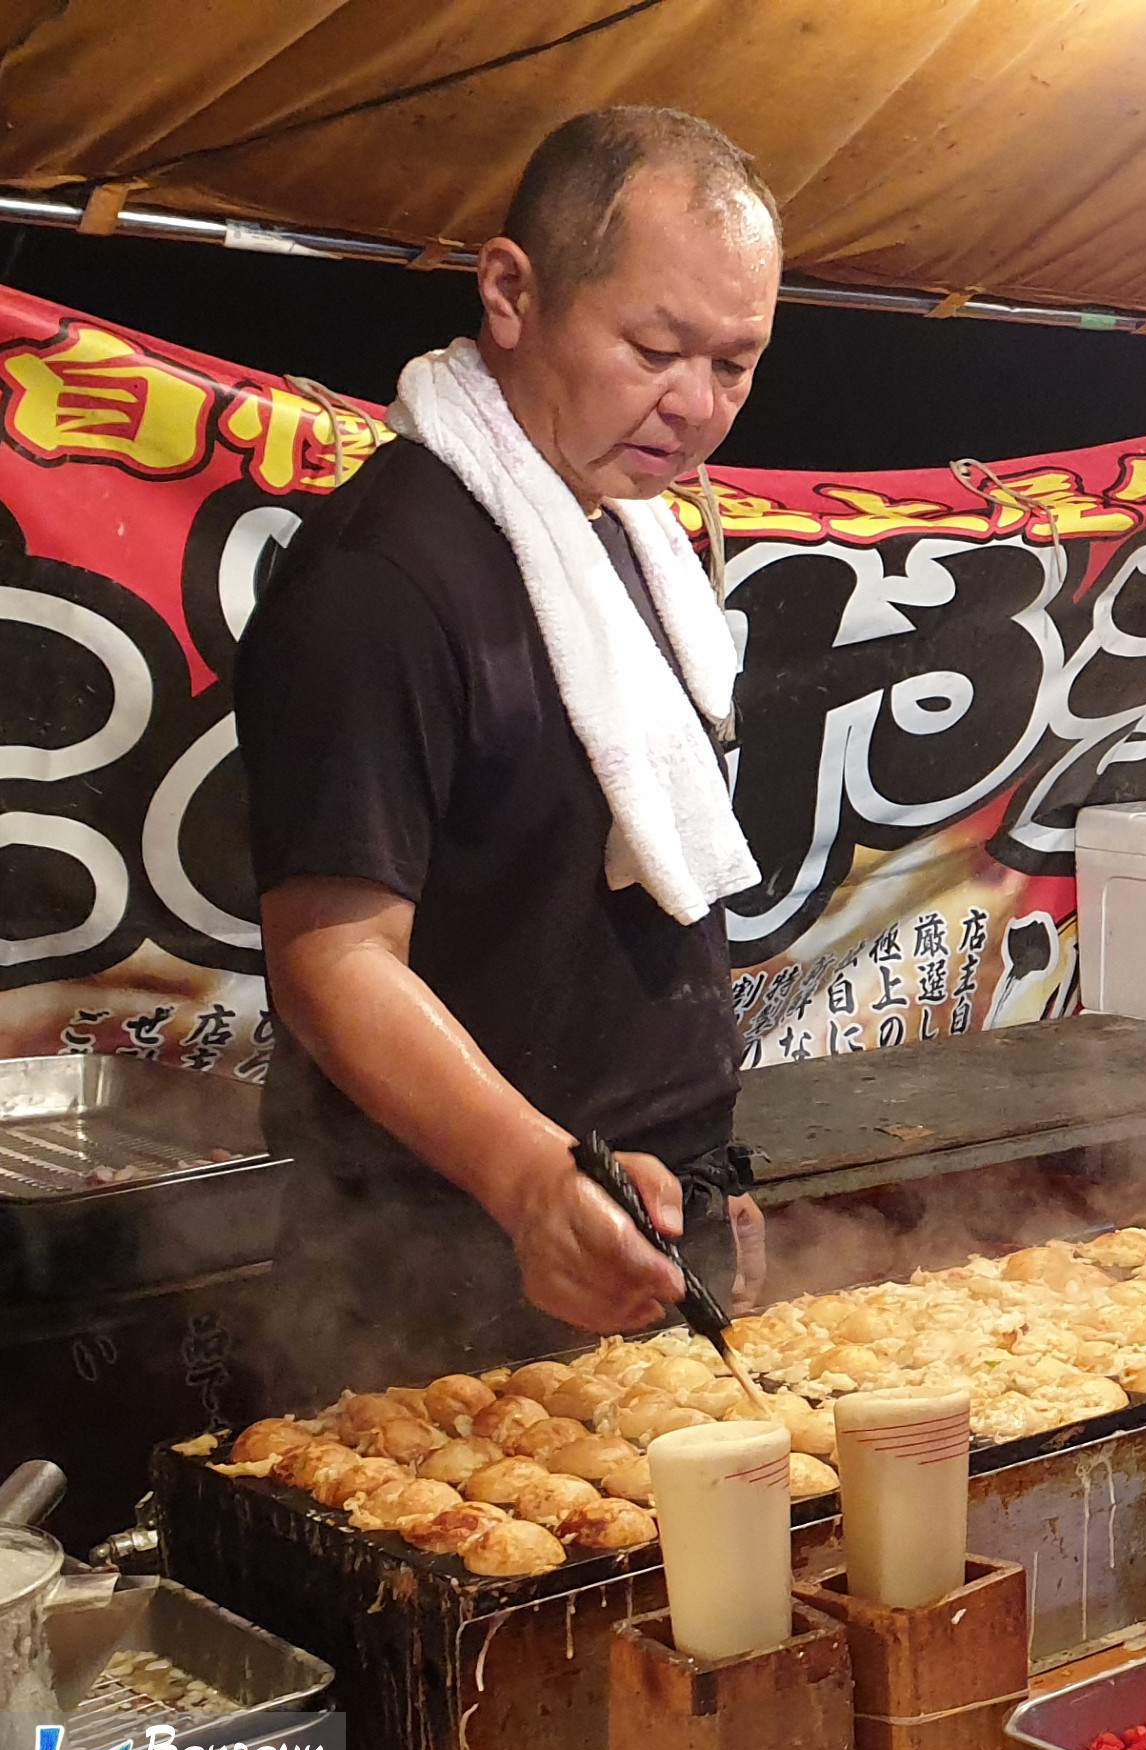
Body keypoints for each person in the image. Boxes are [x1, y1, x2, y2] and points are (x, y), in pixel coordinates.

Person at [235, 107, 780, 1391]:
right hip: (441, 1268)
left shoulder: (618, 526)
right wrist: (534, 1177)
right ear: (511, 293)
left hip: (638, 1220)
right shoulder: (383, 578)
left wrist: (707, 1176)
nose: (695, 407)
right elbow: (331, 959)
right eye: (655, 349)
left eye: (736, 363)